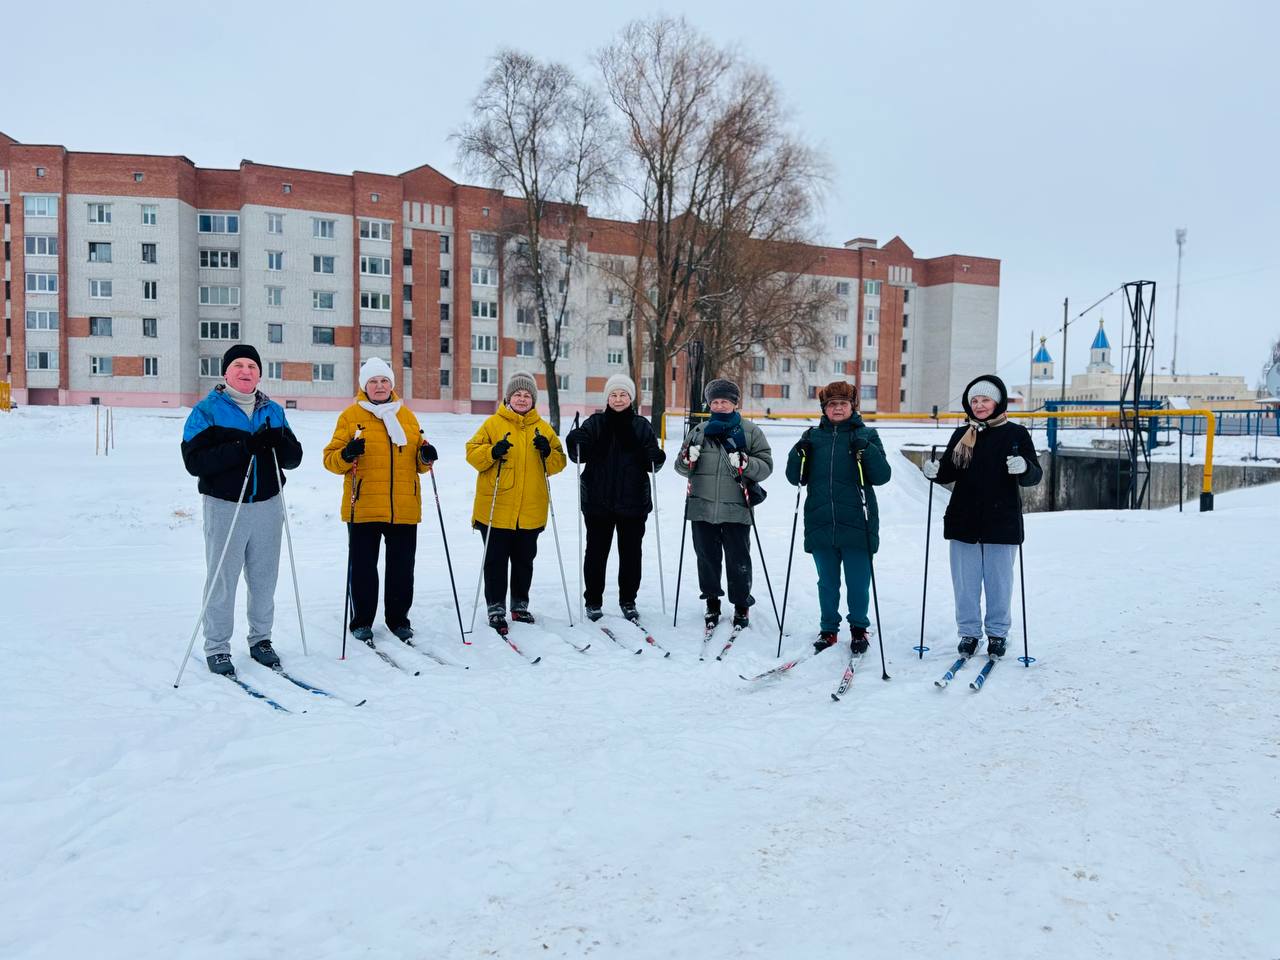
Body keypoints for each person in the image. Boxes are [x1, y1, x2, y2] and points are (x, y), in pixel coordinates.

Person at [181, 344, 304, 676]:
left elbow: (293, 459)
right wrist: (244, 447)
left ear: (259, 373)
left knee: (264, 578)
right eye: (238, 365)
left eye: (252, 365)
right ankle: (218, 646)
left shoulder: (273, 410)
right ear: (226, 372)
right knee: (223, 578)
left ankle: (260, 640)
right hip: (225, 505)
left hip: (267, 504)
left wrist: (281, 443)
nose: (246, 370)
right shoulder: (206, 411)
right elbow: (195, 462)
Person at [922, 374, 1042, 658]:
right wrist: (935, 472)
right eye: (974, 400)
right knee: (965, 583)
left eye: (985, 399)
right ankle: (969, 634)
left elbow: (1034, 475)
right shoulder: (962, 434)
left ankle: (998, 634)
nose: (979, 405)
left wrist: (1023, 466)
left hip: (1002, 520)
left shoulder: (1016, 434)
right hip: (964, 519)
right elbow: (949, 471)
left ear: (997, 401)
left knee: (999, 582)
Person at [322, 357, 436, 644]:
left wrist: (426, 457)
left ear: (392, 384)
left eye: (384, 380)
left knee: (401, 568)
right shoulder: (350, 417)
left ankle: (398, 620)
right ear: (364, 386)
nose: (379, 386)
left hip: (404, 506)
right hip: (363, 505)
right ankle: (361, 621)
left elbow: (419, 464)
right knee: (363, 568)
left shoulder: (407, 417)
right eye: (373, 381)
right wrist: (347, 454)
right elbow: (331, 461)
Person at [784, 380, 891, 654]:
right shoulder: (812, 437)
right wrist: (799, 454)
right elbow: (794, 477)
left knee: (858, 581)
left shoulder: (867, 435)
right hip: (821, 521)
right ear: (824, 408)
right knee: (827, 582)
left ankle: (858, 628)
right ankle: (828, 629)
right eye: (832, 404)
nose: (838, 408)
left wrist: (866, 450)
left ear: (852, 406)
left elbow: (882, 476)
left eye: (843, 404)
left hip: (858, 520)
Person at [464, 372, 567, 632]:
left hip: (530, 508)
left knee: (524, 560)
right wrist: (492, 452)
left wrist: (547, 452)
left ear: (533, 400)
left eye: (527, 395)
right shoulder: (493, 424)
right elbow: (472, 454)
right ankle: (496, 607)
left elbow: (559, 462)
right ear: (508, 398)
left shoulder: (543, 428)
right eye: (517, 395)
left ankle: (520, 605)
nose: (522, 399)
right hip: (495, 508)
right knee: (495, 560)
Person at [564, 374, 666, 623]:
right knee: (596, 553)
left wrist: (657, 456)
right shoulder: (595, 423)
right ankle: (593, 601)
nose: (618, 399)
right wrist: (573, 441)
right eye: (614, 394)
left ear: (631, 398)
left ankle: (628, 600)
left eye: (623, 395)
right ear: (607, 398)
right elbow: (580, 456)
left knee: (631, 554)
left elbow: (652, 464)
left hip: (633, 503)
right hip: (598, 502)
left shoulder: (641, 425)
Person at [674, 378, 773, 630]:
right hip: (702, 507)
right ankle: (711, 602)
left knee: (738, 559)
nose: (719, 406)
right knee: (706, 558)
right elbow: (680, 466)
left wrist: (747, 463)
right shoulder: (698, 431)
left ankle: (741, 605)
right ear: (709, 404)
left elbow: (766, 467)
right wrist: (687, 460)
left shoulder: (750, 431)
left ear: (734, 403)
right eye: (715, 401)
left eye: (725, 401)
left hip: (737, 507)